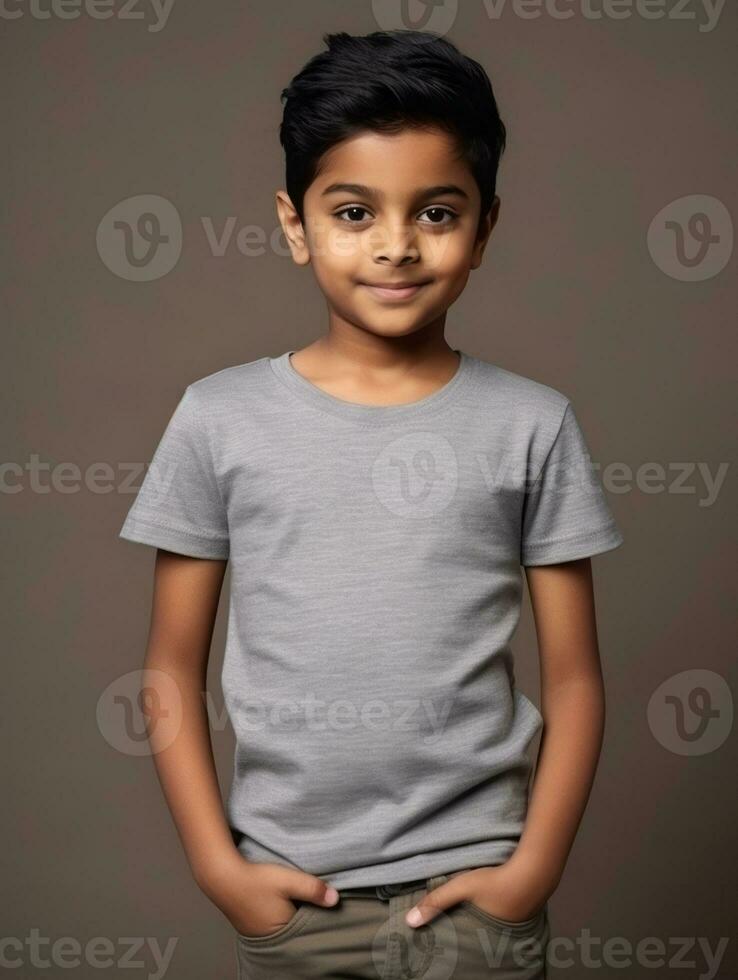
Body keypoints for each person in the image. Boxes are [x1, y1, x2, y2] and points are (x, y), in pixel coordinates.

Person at [119, 29, 624, 979]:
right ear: (294, 221)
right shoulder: (218, 418)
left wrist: (535, 869)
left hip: (480, 894)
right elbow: (168, 670)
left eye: (437, 212)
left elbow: (575, 681)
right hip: (297, 896)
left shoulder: (532, 424)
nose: (396, 245)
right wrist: (219, 870)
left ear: (486, 226)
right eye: (354, 211)